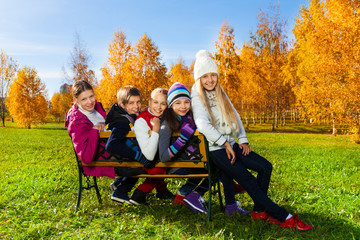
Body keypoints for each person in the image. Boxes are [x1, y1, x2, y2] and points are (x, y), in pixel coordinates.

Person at [191, 50, 313, 231]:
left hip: (230, 144)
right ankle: (283, 216)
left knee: (265, 167)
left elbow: (235, 115)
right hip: (216, 149)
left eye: (213, 75)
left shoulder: (219, 91)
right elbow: (202, 124)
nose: (210, 80)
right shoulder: (196, 94)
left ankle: (258, 211)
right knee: (247, 178)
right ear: (198, 79)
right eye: (205, 76)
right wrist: (224, 143)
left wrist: (242, 139)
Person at [65, 80, 117, 199]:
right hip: (103, 160)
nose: (89, 102)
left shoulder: (98, 108)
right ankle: (127, 188)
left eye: (91, 96)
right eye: (83, 99)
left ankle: (121, 186)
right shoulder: (77, 121)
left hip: (112, 151)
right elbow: (86, 157)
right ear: (75, 101)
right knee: (143, 161)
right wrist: (94, 131)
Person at [105, 86, 155, 204]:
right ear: (123, 105)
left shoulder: (123, 115)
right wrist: (136, 155)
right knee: (142, 165)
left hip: (118, 160)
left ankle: (118, 184)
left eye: (138, 102)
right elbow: (111, 145)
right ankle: (120, 192)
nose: (136, 106)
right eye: (131, 103)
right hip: (118, 162)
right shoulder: (121, 122)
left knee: (140, 161)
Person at [130, 88, 174, 205]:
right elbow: (149, 155)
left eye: (163, 104)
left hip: (162, 156)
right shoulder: (142, 121)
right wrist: (155, 129)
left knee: (164, 161)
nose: (159, 107)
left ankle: (161, 190)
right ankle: (140, 193)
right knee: (159, 167)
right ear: (149, 102)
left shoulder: (169, 117)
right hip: (145, 159)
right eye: (155, 102)